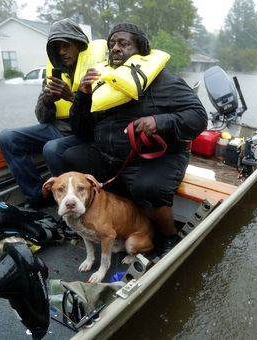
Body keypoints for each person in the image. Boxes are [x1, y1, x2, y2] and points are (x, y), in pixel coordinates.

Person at [61, 23, 208, 255]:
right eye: (112, 44)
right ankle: (94, 219)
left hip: (156, 157)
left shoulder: (164, 81)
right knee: (69, 156)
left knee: (147, 187)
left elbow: (199, 117)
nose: (115, 48)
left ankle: (168, 235)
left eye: (124, 43)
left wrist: (160, 122)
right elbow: (80, 130)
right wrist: (82, 96)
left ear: (141, 50)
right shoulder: (104, 79)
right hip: (111, 155)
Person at [0, 19, 106, 208]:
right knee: (7, 137)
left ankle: (68, 204)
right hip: (57, 127)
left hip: (85, 131)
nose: (62, 52)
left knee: (52, 148)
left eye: (66, 46)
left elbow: (103, 113)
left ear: (79, 44)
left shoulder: (98, 68)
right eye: (57, 48)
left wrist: (71, 96)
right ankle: (38, 196)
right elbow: (41, 117)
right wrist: (47, 100)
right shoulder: (54, 73)